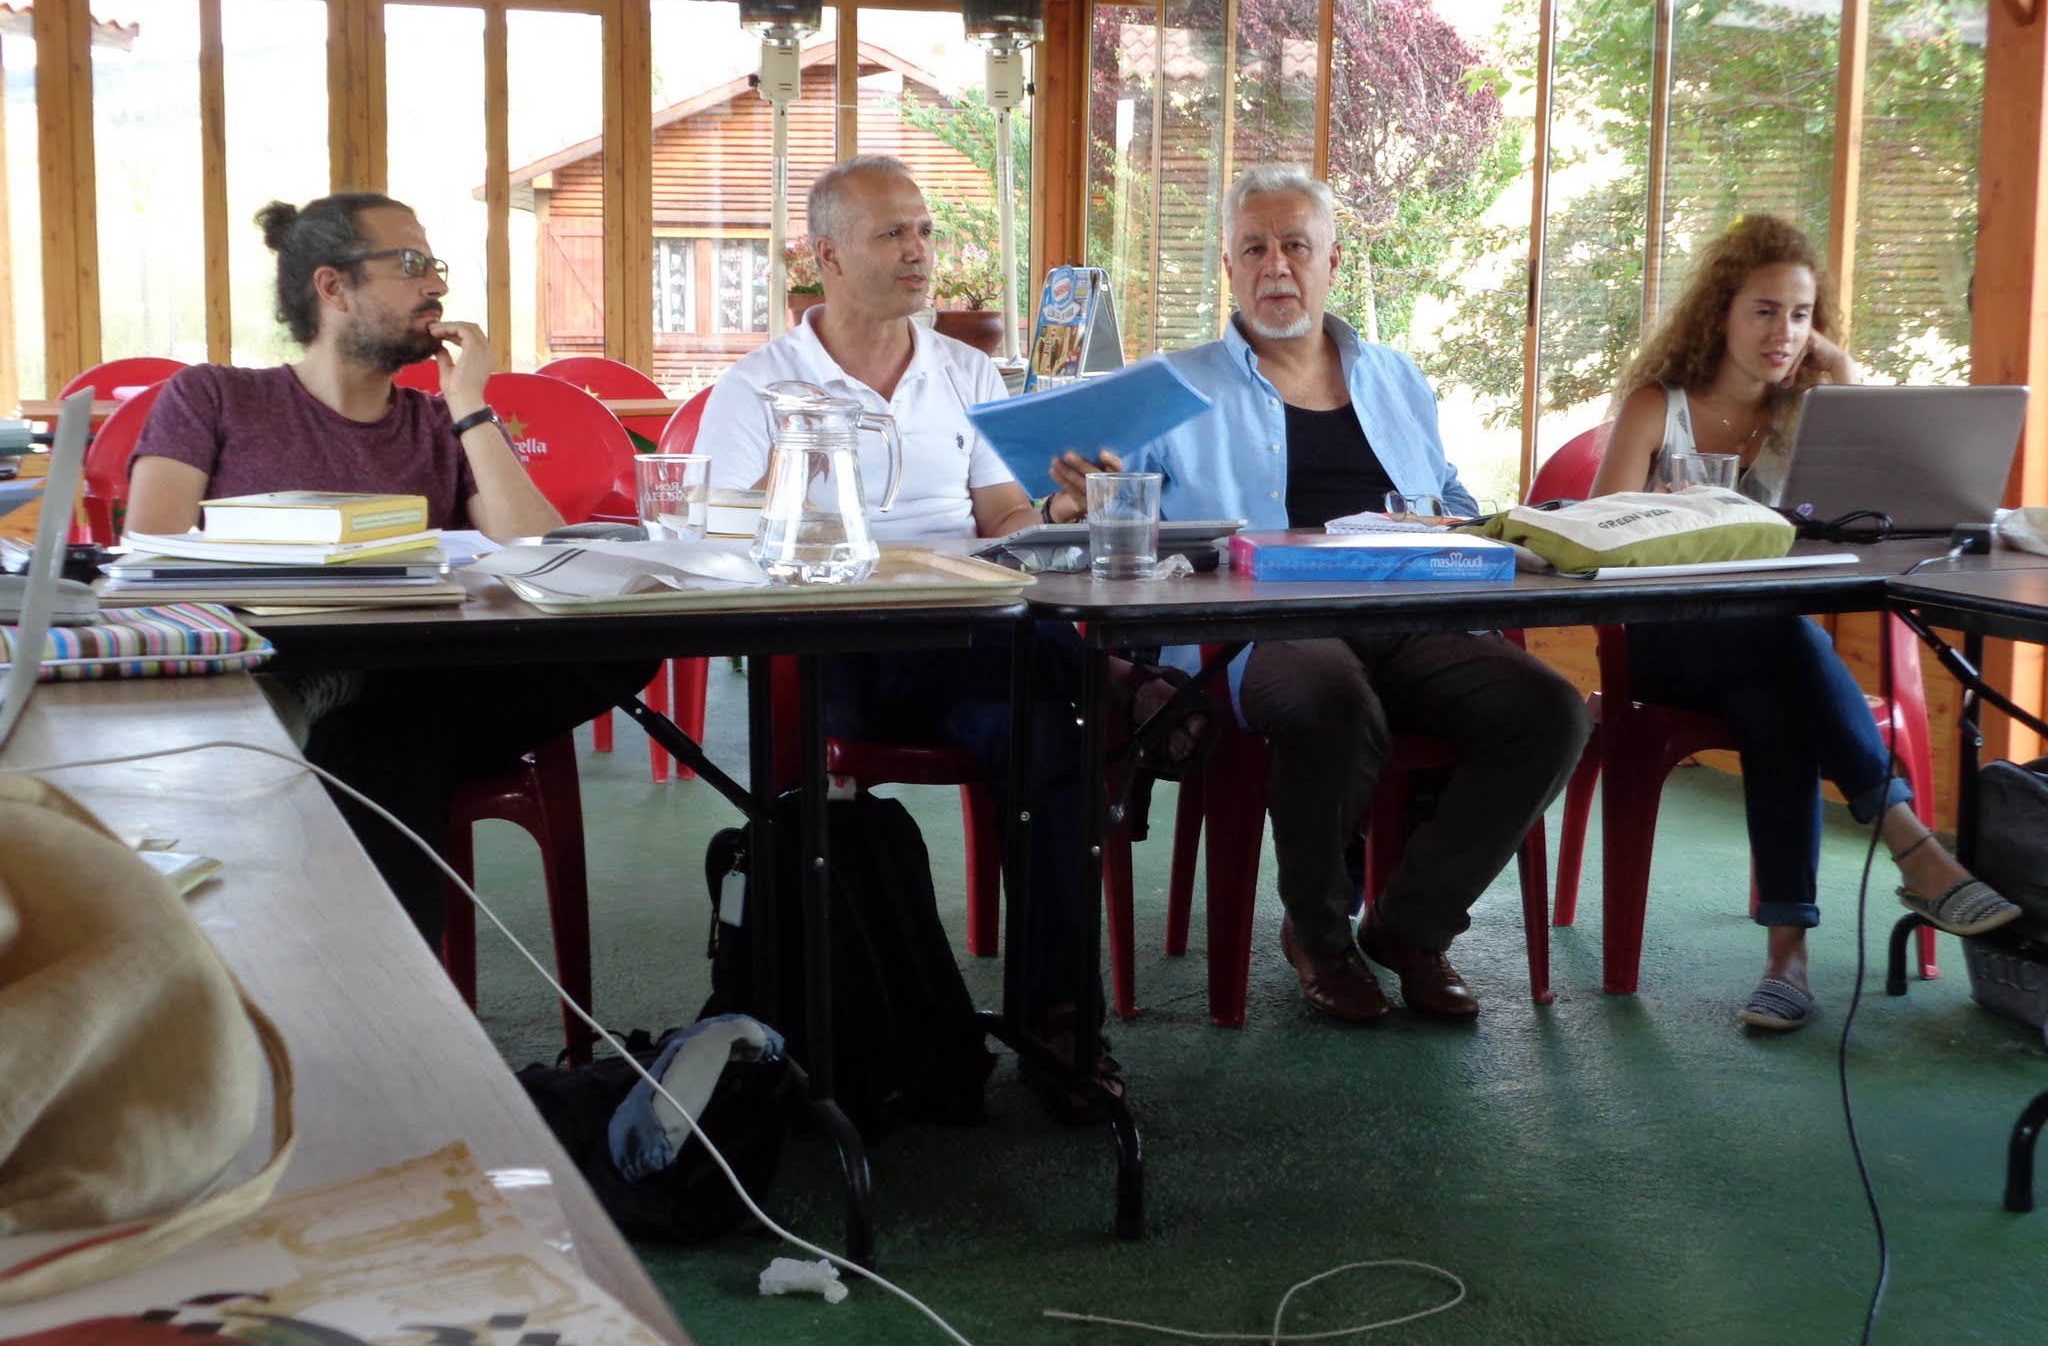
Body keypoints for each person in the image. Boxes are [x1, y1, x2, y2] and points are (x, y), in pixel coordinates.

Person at [694, 155, 1206, 1114]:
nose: (919, 252)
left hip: (975, 644)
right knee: (1055, 693)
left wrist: (1059, 508)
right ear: (826, 256)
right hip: (841, 648)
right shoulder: (760, 388)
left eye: (925, 231)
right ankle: (1117, 684)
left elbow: (1003, 521)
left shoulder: (965, 373)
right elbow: (720, 546)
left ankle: (1060, 1022)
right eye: (893, 233)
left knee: (1050, 743)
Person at [1052, 163, 1591, 1024]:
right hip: (1257, 626)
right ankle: (1320, 934)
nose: (1276, 266)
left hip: (1407, 614)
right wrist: (1071, 499)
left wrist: (1484, 528)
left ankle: (1410, 928)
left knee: (1548, 711)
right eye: (1254, 248)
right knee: (1330, 700)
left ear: (1332, 261)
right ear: (1229, 267)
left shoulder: (1395, 375)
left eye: (1296, 246)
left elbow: (1446, 496)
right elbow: (1085, 505)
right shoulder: (1171, 386)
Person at [126, 192, 655, 945]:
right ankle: (391, 984)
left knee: (626, 640)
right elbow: (151, 551)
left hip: (413, 669)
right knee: (386, 746)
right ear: (333, 286)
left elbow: (539, 548)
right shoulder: (214, 396)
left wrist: (470, 404)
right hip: (263, 662)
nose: (435, 285)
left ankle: (337, 699)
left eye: (435, 266)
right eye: (410, 265)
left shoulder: (439, 424)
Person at [1591, 212, 2020, 1031]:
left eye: (1799, 314)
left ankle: (1787, 964)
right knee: (1790, 640)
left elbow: (1886, 516)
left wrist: (1846, 375)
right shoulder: (1659, 405)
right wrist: (1664, 513)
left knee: (1772, 700)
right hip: (1661, 643)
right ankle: (1909, 841)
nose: (1782, 333)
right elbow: (1594, 534)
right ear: (1718, 313)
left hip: (1762, 654)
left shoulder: (1808, 416)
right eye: (1762, 311)